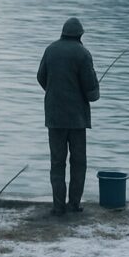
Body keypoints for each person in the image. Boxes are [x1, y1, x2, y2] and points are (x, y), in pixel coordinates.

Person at [37, 17, 100, 215]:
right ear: (80, 35)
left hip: (54, 117)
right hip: (76, 119)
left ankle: (58, 206)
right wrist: (94, 93)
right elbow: (90, 89)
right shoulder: (83, 54)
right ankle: (74, 204)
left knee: (57, 162)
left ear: (63, 33)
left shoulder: (50, 50)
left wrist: (53, 91)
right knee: (78, 162)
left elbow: (40, 76)